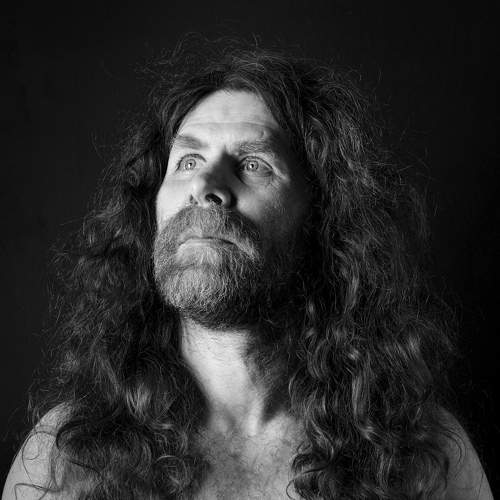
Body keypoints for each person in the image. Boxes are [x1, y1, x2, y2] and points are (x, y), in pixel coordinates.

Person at [2, 42, 494, 500]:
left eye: (254, 164)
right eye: (188, 160)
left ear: (322, 215)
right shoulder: (64, 457)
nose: (206, 187)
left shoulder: (424, 458)